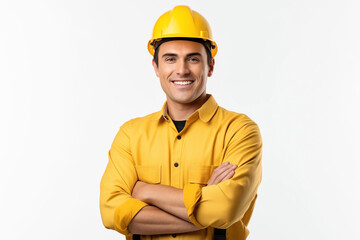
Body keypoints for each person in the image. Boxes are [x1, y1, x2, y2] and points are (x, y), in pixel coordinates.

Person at [100, 5, 262, 240]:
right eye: (170, 59)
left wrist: (146, 191)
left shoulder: (238, 131)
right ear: (156, 67)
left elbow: (226, 210)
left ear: (210, 66)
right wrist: (205, 205)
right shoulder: (131, 135)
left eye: (193, 59)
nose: (182, 70)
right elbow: (110, 211)